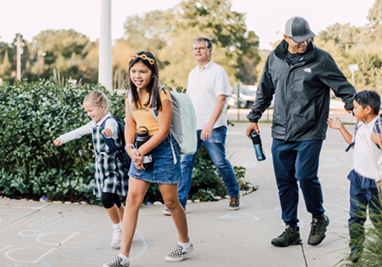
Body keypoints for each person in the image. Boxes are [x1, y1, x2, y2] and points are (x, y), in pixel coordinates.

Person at [246, 16, 356, 247]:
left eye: (307, 39)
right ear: (285, 38)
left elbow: (344, 89)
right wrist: (253, 117)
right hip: (281, 132)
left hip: (310, 131)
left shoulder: (321, 59)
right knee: (284, 181)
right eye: (298, 40)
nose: (303, 43)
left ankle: (318, 217)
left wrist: (361, 111)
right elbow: (264, 90)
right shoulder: (274, 59)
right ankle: (291, 228)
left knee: (305, 176)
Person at [103, 51, 193, 267]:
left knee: (171, 202)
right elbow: (130, 123)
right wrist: (129, 147)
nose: (137, 75)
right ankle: (123, 257)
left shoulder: (162, 95)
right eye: (134, 71)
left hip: (162, 150)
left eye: (143, 71)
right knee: (132, 199)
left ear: (153, 73)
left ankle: (185, 243)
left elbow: (163, 131)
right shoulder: (130, 95)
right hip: (139, 148)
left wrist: (140, 151)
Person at [163, 36, 240, 215]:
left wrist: (209, 125)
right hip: (193, 127)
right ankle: (180, 203)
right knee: (185, 163)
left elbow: (221, 100)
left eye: (202, 48)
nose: (198, 51)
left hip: (213, 127)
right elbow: (189, 101)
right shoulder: (192, 73)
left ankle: (234, 194)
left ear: (209, 51)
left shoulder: (218, 72)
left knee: (220, 162)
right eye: (195, 48)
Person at [53, 90, 128, 249]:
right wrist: (62, 139)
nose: (88, 114)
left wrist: (109, 132)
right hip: (101, 167)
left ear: (102, 107)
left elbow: (112, 128)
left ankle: (117, 229)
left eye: (91, 110)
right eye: (87, 111)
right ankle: (128, 226)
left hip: (113, 167)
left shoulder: (109, 122)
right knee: (114, 199)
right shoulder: (93, 124)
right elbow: (78, 132)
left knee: (106, 198)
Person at [328, 90, 382, 264]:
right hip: (357, 178)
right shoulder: (360, 123)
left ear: (368, 109)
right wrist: (340, 127)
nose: (353, 111)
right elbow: (355, 144)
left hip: (375, 183)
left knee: (378, 221)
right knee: (355, 219)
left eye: (356, 108)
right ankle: (356, 252)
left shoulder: (378, 126)